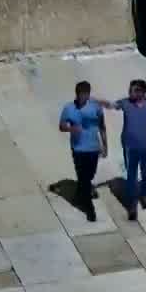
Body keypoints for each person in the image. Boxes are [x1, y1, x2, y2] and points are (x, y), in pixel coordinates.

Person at [104, 79, 146, 221]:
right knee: (131, 177)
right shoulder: (125, 103)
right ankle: (132, 206)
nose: (129, 93)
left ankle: (144, 194)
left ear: (141, 92)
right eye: (130, 90)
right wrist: (97, 101)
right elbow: (112, 105)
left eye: (133, 90)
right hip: (130, 147)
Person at [57, 81, 107, 222]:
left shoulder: (96, 107)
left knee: (89, 175)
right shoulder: (69, 108)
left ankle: (80, 193)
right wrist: (71, 129)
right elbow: (61, 126)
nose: (81, 98)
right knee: (84, 177)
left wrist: (105, 145)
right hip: (78, 148)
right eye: (79, 95)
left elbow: (102, 127)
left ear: (88, 94)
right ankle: (89, 209)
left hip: (93, 148)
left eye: (84, 95)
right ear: (76, 93)